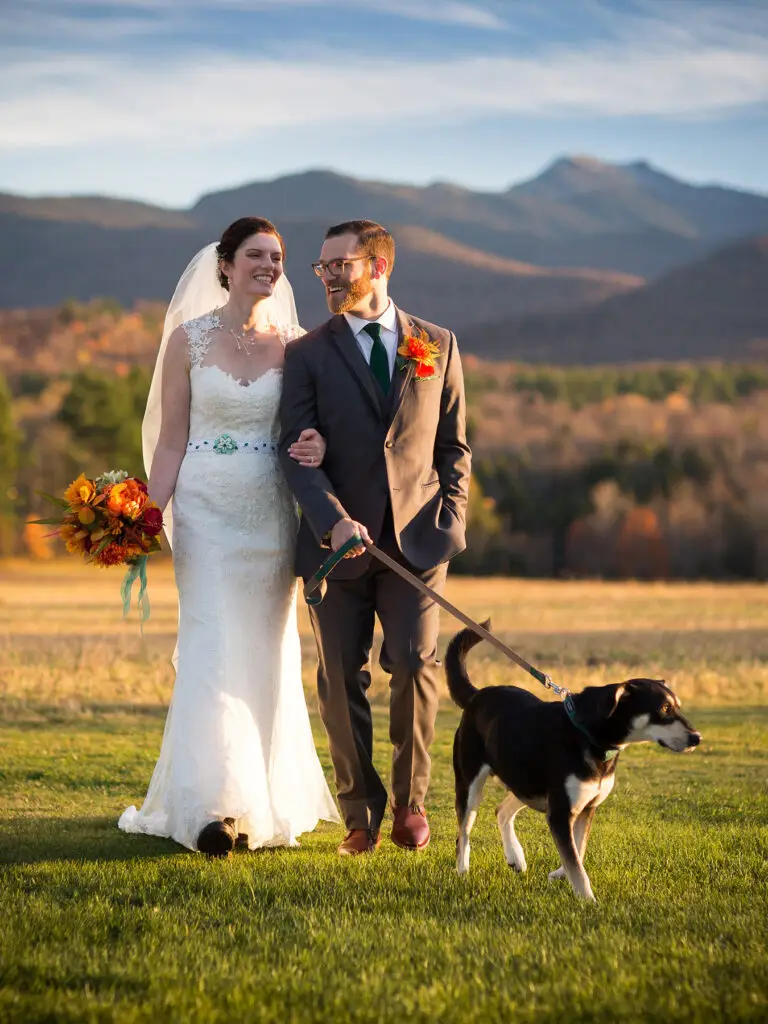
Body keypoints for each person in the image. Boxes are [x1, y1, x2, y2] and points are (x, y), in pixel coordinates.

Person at [119, 217, 339, 856]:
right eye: (255, 255)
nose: (269, 266)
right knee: (211, 650)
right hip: (204, 514)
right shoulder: (186, 340)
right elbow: (168, 441)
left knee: (263, 654)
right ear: (225, 264)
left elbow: (312, 429)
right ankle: (214, 810)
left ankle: (256, 800)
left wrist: (317, 441)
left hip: (269, 516)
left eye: (277, 257)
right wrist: (144, 517)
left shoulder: (299, 346)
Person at [279, 220, 471, 856]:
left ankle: (412, 804)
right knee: (339, 675)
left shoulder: (438, 344)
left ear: (380, 267)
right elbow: (295, 453)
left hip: (419, 543)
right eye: (323, 267)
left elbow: (454, 447)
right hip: (335, 546)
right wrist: (333, 518)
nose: (329, 276)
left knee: (415, 663)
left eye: (341, 265)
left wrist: (452, 517)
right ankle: (359, 812)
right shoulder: (306, 353)